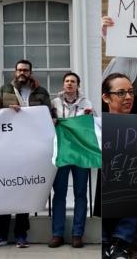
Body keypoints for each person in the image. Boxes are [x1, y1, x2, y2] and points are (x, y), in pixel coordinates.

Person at [0, 59, 52, 248]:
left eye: (26, 70)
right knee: (5, 192)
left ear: (31, 72)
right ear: (15, 72)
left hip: (30, 148)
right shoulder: (5, 90)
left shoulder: (41, 92)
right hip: (7, 149)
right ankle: (0, 235)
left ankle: (21, 235)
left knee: (24, 192)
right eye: (20, 70)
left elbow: (48, 114)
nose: (22, 73)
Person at [48, 72, 93, 249]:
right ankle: (57, 234)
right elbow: (47, 122)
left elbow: (93, 125)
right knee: (59, 193)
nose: (69, 84)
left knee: (81, 193)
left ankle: (77, 234)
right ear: (63, 84)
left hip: (81, 152)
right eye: (67, 81)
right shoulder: (54, 103)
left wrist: (90, 116)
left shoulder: (86, 103)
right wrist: (52, 120)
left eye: (73, 81)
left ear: (77, 85)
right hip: (62, 151)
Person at [102, 73, 137, 259]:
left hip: (131, 202)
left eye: (131, 92)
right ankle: (103, 242)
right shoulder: (97, 126)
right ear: (106, 97)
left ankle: (120, 243)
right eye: (121, 93)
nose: (129, 97)